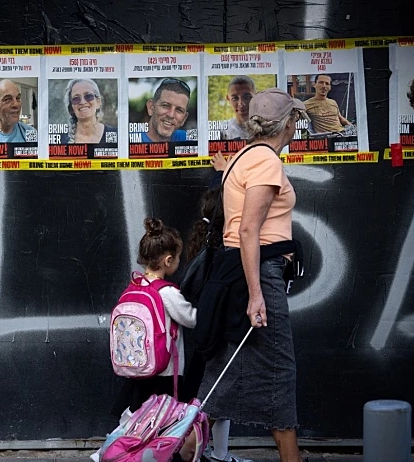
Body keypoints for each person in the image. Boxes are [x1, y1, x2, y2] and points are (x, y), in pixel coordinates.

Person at [197, 88, 305, 462]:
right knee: (280, 370)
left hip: (240, 273)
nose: (297, 126)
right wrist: (257, 295)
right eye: (296, 119)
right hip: (257, 275)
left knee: (223, 378)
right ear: (287, 123)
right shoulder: (266, 162)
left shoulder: (244, 156)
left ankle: (182, 449)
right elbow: (247, 231)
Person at [180, 152, 253, 462]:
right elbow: (226, 204)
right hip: (217, 336)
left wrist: (222, 174)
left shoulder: (201, 244)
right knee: (217, 400)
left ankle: (204, 451)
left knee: (204, 399)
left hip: (198, 338)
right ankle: (215, 454)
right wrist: (225, 175)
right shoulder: (224, 253)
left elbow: (219, 203)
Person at [111, 218, 197, 459]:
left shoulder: (134, 286)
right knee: (162, 419)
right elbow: (191, 319)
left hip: (137, 368)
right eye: (177, 258)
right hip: (165, 371)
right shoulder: (167, 292)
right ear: (169, 260)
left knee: (140, 415)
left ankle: (130, 450)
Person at [60, 78, 117, 144]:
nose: (82, 102)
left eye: (88, 96)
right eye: (76, 98)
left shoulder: (116, 135)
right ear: (71, 108)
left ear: (98, 102)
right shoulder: (61, 140)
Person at [220, 76, 255, 140]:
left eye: (247, 97)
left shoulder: (266, 129)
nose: (241, 103)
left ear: (256, 96)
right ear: (228, 99)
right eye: (235, 98)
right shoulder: (223, 130)